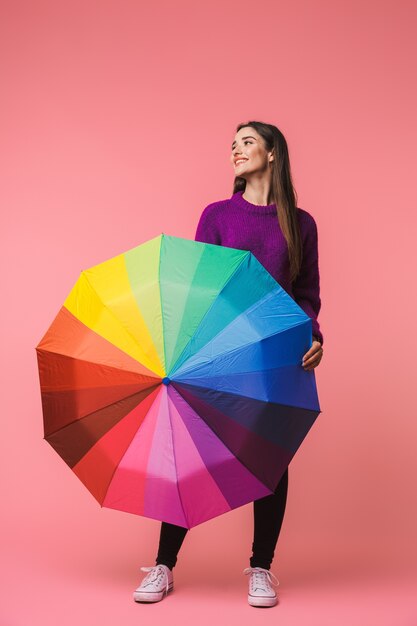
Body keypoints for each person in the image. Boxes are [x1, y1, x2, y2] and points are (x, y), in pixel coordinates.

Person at [133, 120, 324, 608]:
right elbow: (199, 286)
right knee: (189, 450)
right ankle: (163, 565)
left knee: (271, 457)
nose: (236, 151)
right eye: (232, 145)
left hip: (274, 357)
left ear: (273, 153)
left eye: (247, 142)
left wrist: (314, 335)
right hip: (216, 352)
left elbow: (305, 295)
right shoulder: (217, 215)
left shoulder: (301, 224)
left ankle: (262, 568)